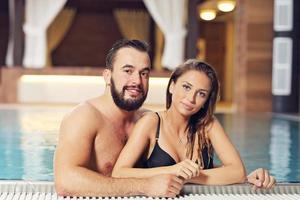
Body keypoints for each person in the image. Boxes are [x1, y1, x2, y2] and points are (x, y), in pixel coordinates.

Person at [54, 39, 275, 198]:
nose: (137, 81)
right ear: (107, 76)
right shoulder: (84, 117)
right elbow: (65, 182)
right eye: (127, 71)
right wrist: (146, 186)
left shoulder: (146, 118)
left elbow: (189, 168)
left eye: (144, 73)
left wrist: (244, 178)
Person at [112, 60, 275, 189]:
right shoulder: (150, 123)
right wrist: (172, 170)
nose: (191, 98)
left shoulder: (208, 125)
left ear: (205, 101)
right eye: (186, 87)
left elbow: (238, 172)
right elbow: (119, 173)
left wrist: (190, 176)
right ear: (172, 86)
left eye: (201, 94)